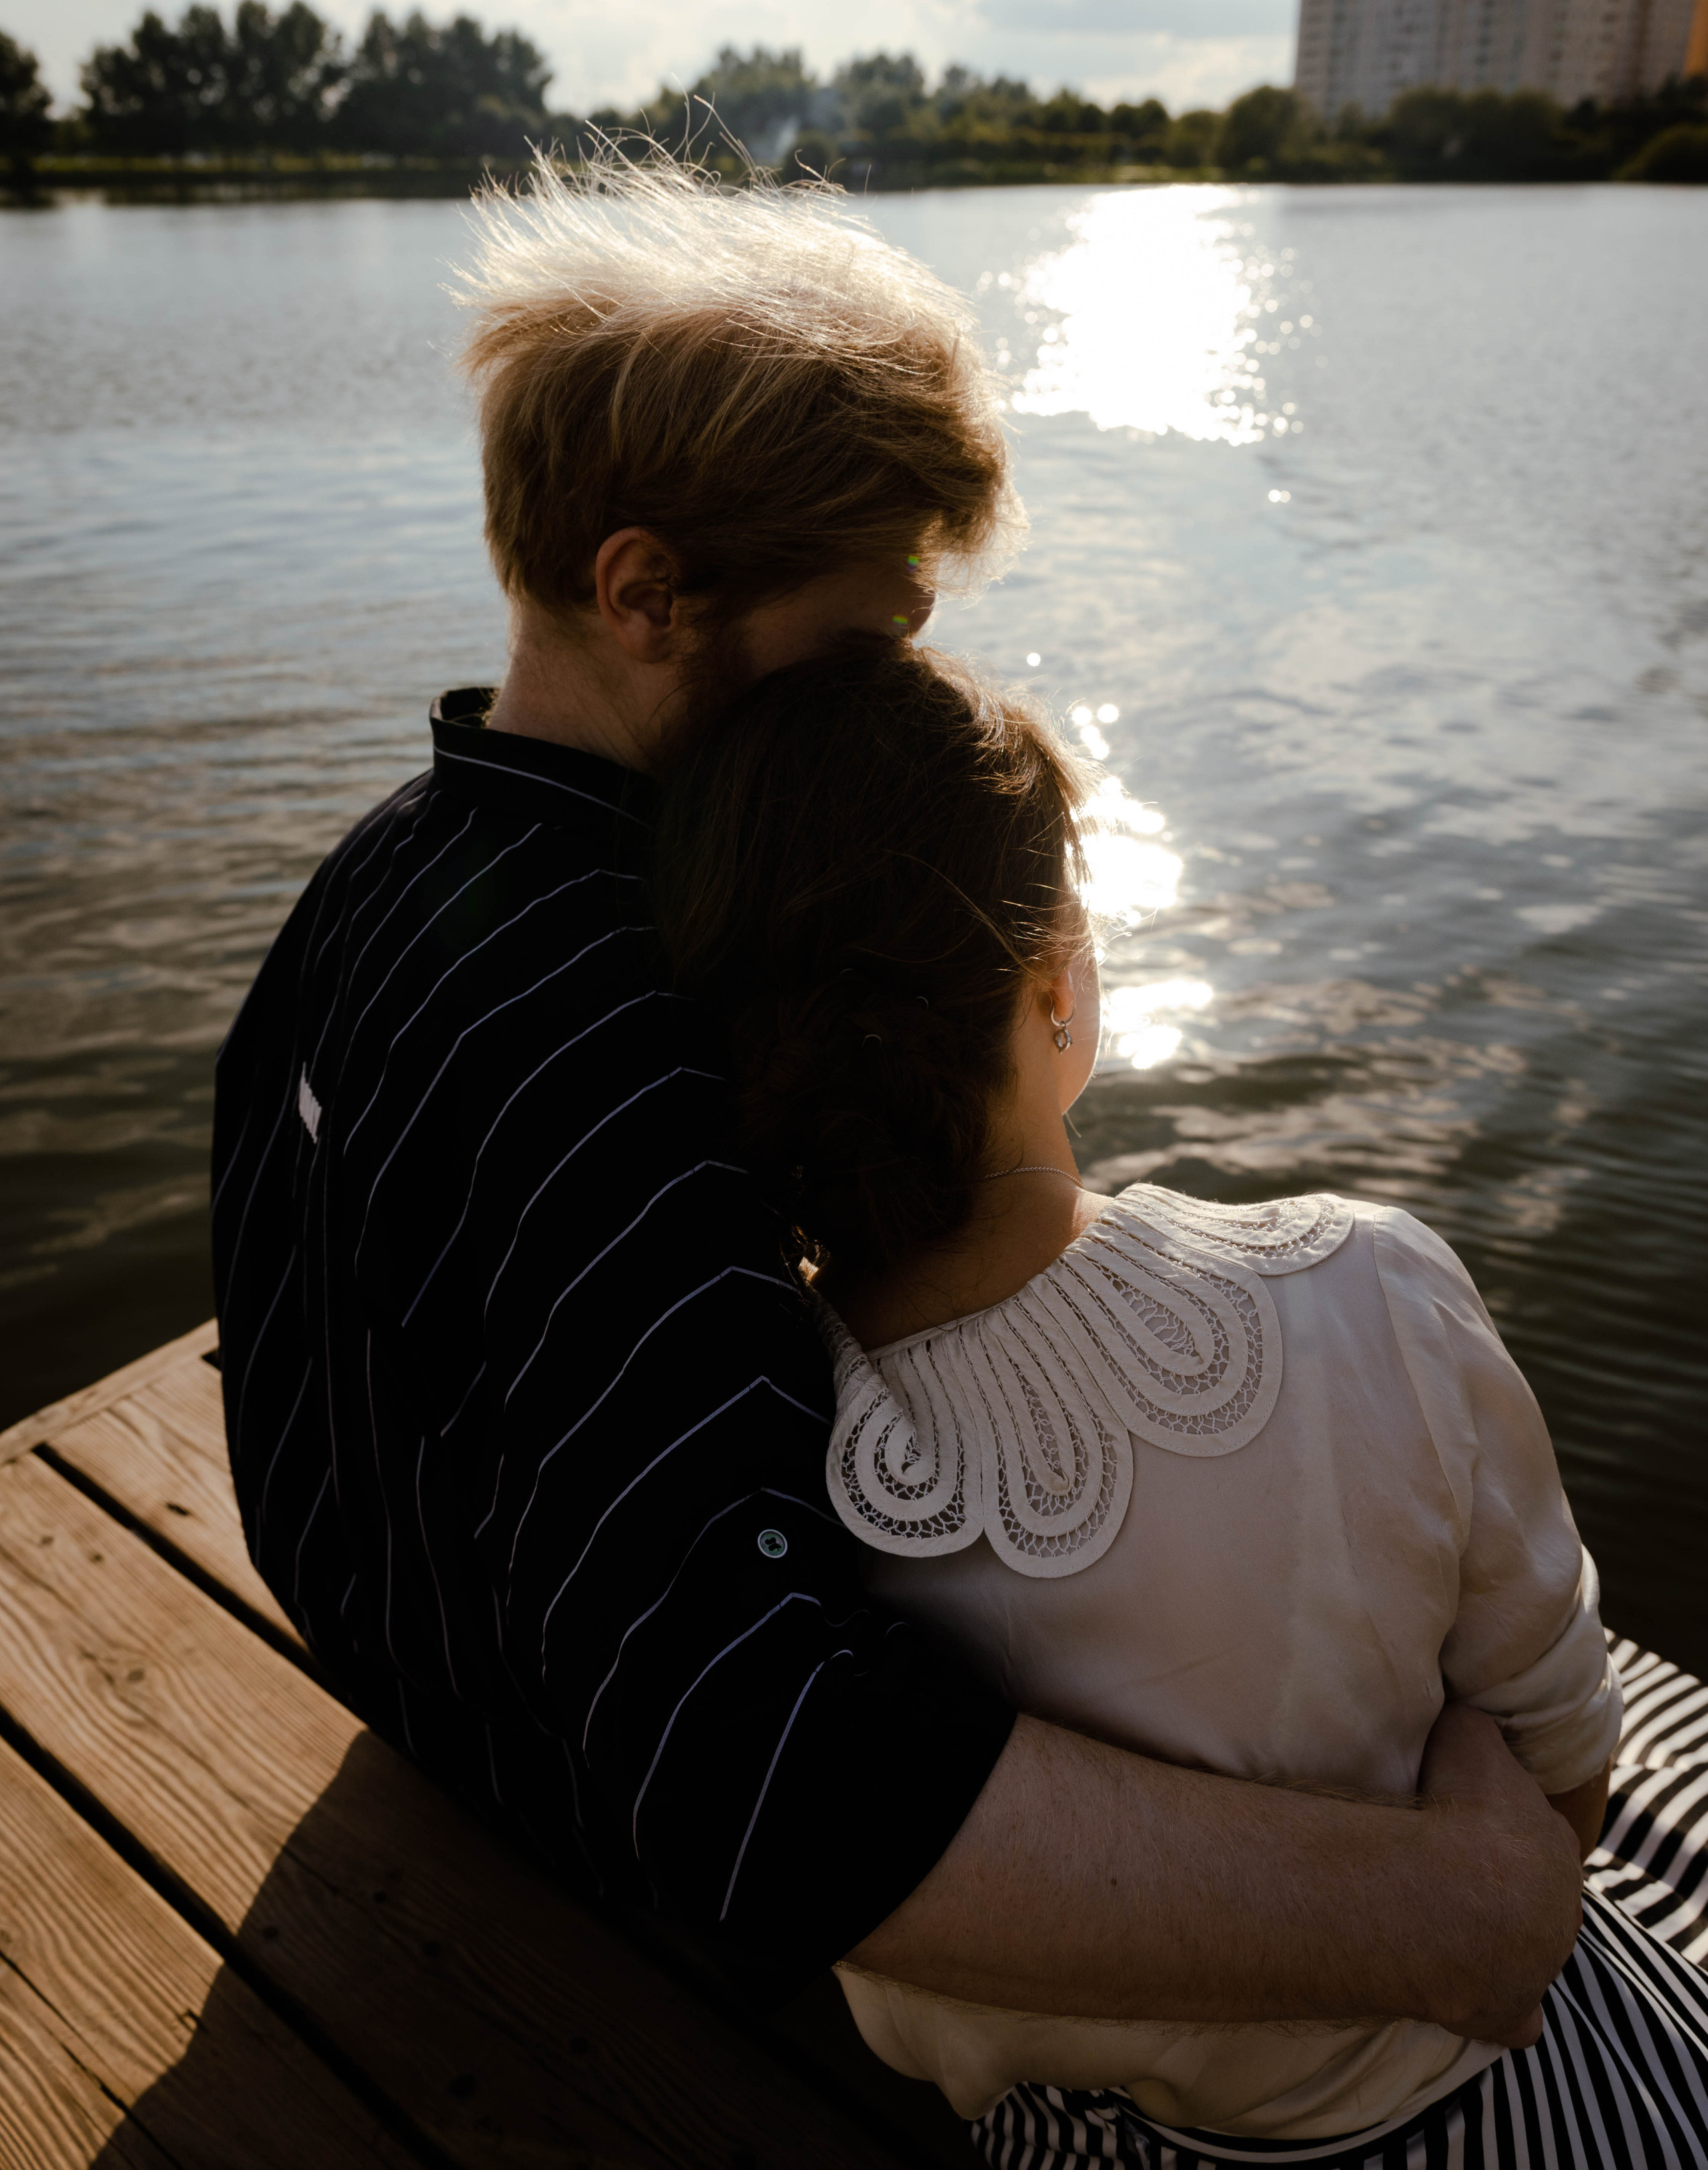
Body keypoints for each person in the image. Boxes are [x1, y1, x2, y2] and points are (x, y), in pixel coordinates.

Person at [213, 155, 1580, 2060]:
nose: (899, 695)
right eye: (865, 648)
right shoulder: (634, 1039)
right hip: (563, 1827)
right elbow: (746, 1768)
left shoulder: (385, 868)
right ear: (644, 592)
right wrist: (1450, 1916)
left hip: (407, 1655)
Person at [647, 642, 1708, 2167]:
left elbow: (918, 2023)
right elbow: (1560, 1747)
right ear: (1055, 991)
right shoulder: (1368, 1291)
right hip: (1516, 2087)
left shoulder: (768, 1491)